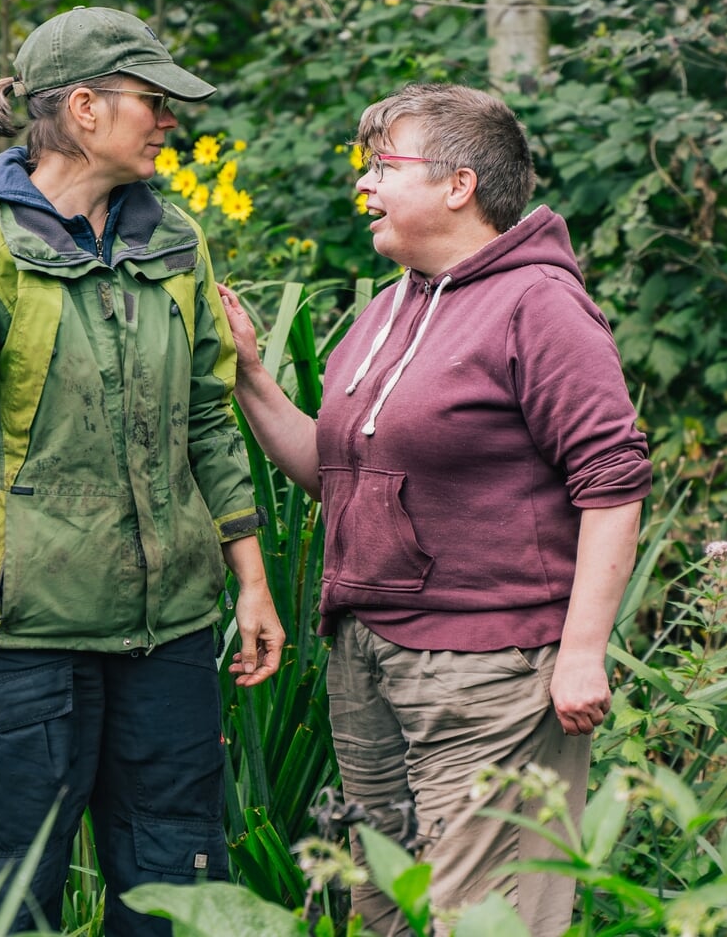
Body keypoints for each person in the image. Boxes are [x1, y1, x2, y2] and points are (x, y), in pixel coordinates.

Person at [0, 6, 285, 936]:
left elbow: (205, 420)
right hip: (16, 645)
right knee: (2, 906)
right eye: (154, 101)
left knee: (177, 898)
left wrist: (249, 584)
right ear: (87, 109)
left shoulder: (174, 240)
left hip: (166, 638)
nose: (169, 120)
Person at [219, 83, 652, 935]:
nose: (364, 187)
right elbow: (333, 470)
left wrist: (582, 653)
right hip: (369, 658)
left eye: (385, 167)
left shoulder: (541, 305)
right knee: (382, 905)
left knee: (484, 916)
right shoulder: (388, 308)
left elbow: (613, 485)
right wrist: (251, 378)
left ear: (459, 184)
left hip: (490, 669)